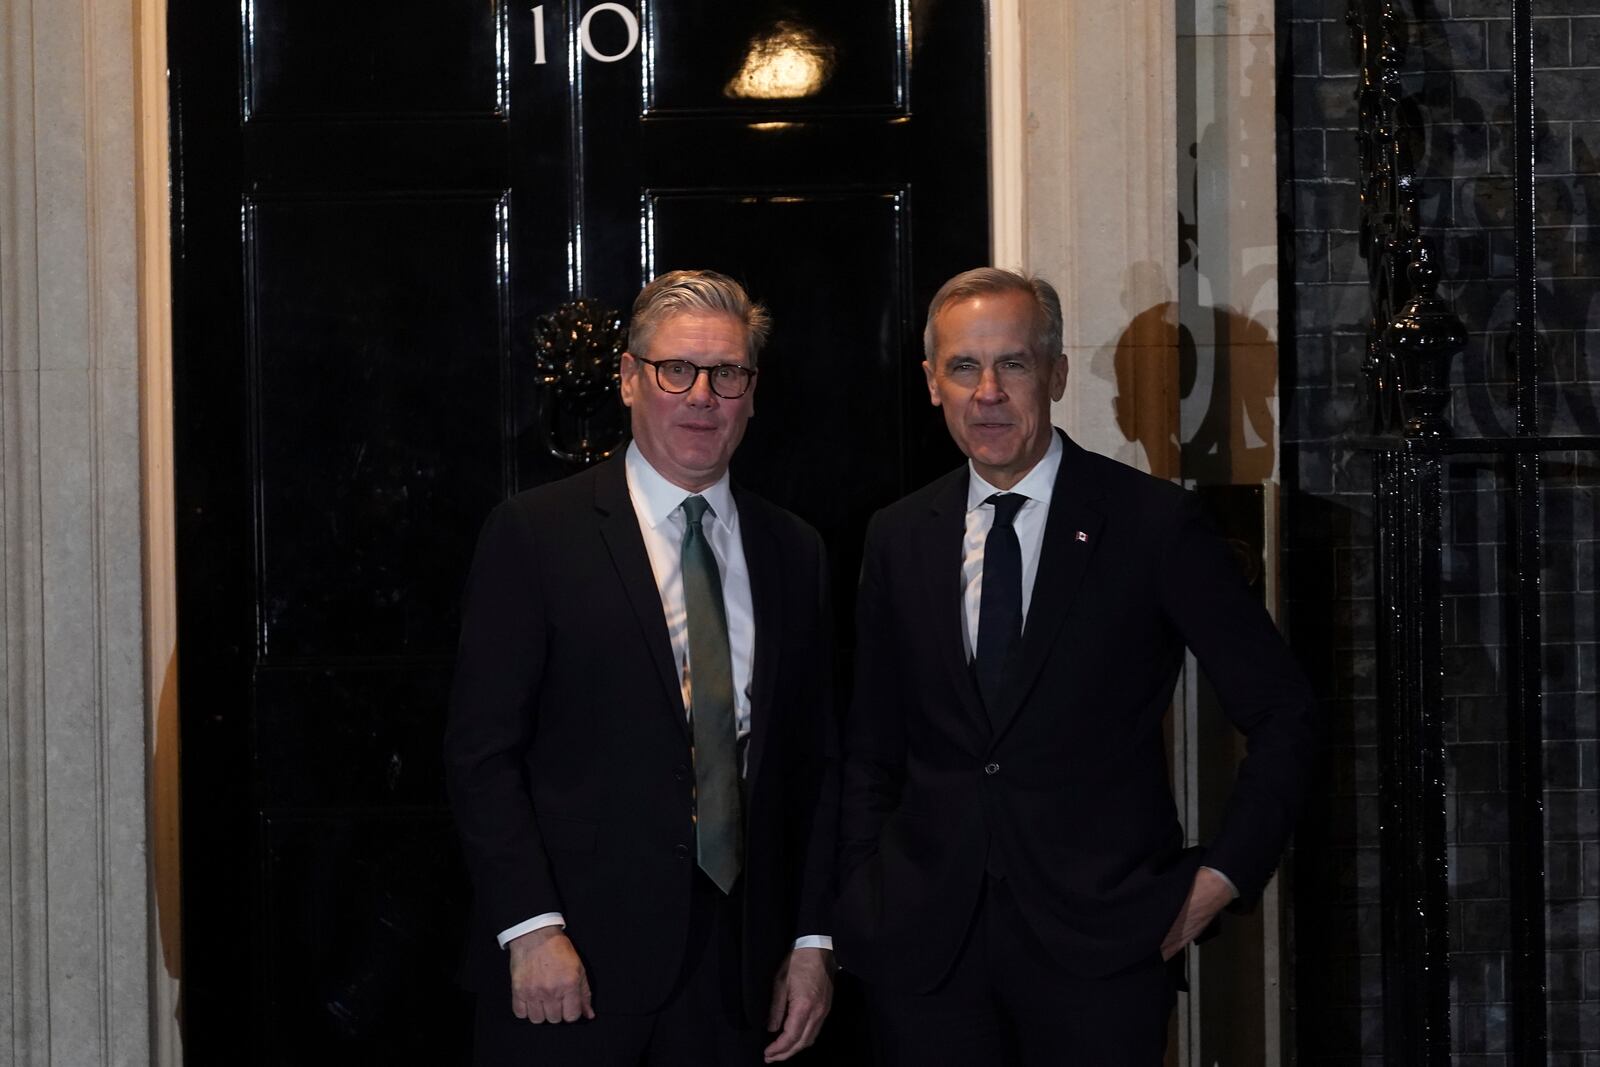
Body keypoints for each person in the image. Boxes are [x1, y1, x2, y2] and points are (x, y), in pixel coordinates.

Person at [833, 268, 1319, 1065]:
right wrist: (862, 893)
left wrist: (1221, 878)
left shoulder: (1154, 524)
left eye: (1014, 364)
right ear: (932, 384)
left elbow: (1284, 712)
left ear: (1056, 373)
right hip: (924, 958)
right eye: (963, 367)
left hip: (1103, 952)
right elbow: (872, 743)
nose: (988, 391)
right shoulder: (897, 535)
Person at [445, 270, 837, 1065]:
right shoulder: (535, 534)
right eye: (676, 370)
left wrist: (811, 939)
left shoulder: (796, 550)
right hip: (571, 972)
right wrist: (531, 927)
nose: (702, 396)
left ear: (752, 392)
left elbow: (818, 765)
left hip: (740, 978)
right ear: (629, 379)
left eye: (727, 374)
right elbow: (481, 755)